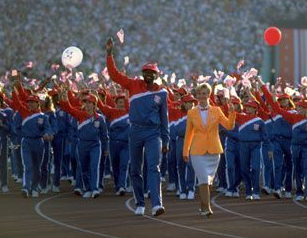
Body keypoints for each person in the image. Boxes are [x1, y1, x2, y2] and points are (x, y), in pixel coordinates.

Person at [106, 38, 169, 216]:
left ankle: (157, 204)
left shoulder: (162, 93)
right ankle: (140, 203)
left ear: (157, 75)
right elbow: (114, 75)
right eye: (145, 72)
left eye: (151, 72)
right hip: (134, 131)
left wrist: (165, 140)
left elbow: (164, 119)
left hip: (153, 133)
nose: (148, 74)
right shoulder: (133, 84)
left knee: (153, 167)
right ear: (142, 73)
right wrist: (110, 53)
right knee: (135, 169)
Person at [183, 83, 235, 217]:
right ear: (196, 96)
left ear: (208, 95)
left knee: (209, 182)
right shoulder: (191, 112)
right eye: (199, 93)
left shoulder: (217, 110)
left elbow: (229, 126)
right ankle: (207, 208)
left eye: (204, 93)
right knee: (204, 180)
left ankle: (203, 205)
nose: (201, 96)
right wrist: (185, 151)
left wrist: (232, 112)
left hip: (213, 151)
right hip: (197, 151)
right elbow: (189, 134)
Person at [59, 92, 109, 199]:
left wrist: (106, 148)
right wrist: (65, 98)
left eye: (90, 102)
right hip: (82, 145)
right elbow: (69, 109)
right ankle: (88, 188)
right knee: (84, 168)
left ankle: (95, 189)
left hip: (95, 145)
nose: (87, 104)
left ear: (95, 105)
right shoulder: (80, 114)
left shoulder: (99, 118)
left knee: (94, 166)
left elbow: (104, 135)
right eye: (86, 102)